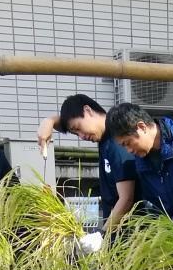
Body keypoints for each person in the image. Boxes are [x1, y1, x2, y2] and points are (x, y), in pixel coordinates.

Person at [36, 95, 138, 247]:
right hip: (118, 230)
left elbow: (127, 198)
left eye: (78, 129)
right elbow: (65, 123)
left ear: (88, 110)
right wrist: (49, 121)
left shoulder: (117, 141)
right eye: (75, 133)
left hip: (130, 234)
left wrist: (102, 235)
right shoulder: (105, 138)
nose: (82, 136)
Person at [104, 103, 173, 237]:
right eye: (123, 146)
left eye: (128, 143)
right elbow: (155, 208)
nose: (129, 150)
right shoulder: (142, 159)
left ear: (141, 127)